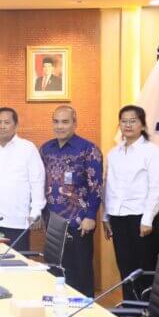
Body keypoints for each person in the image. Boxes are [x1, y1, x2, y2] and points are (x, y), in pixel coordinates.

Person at [104, 105, 159, 300]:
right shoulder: (114, 153)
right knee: (125, 265)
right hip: (118, 216)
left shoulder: (153, 153)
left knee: (145, 267)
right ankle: (130, 306)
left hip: (144, 217)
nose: (128, 125)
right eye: (124, 121)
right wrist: (106, 216)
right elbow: (109, 186)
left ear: (143, 125)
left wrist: (147, 219)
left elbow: (156, 189)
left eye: (133, 121)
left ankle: (147, 310)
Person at [40, 106, 103, 297]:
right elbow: (38, 182)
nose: (59, 126)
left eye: (65, 122)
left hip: (79, 221)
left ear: (75, 123)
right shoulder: (45, 149)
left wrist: (91, 216)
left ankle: (85, 310)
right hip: (52, 221)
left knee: (80, 271)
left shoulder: (88, 149)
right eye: (56, 121)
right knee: (55, 270)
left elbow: (96, 186)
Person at [0, 107, 45, 251]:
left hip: (16, 222)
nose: (2, 126)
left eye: (7, 122)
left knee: (16, 263)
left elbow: (37, 181)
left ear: (16, 126)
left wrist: (36, 211)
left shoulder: (27, 148)